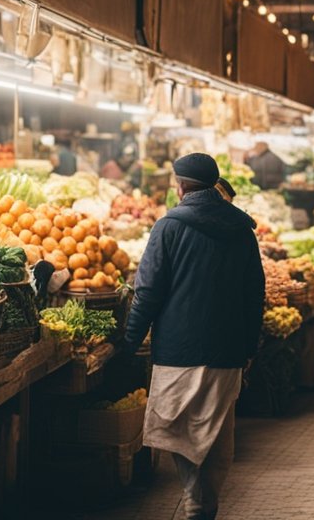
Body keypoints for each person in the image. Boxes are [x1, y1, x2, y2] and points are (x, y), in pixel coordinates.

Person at [120, 153, 264, 520]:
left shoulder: (167, 227)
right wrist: (249, 348)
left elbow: (147, 292)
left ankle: (197, 506)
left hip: (178, 352)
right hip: (228, 352)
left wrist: (129, 341)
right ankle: (202, 506)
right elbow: (254, 295)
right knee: (215, 436)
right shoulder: (242, 230)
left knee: (183, 435)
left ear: (180, 185)